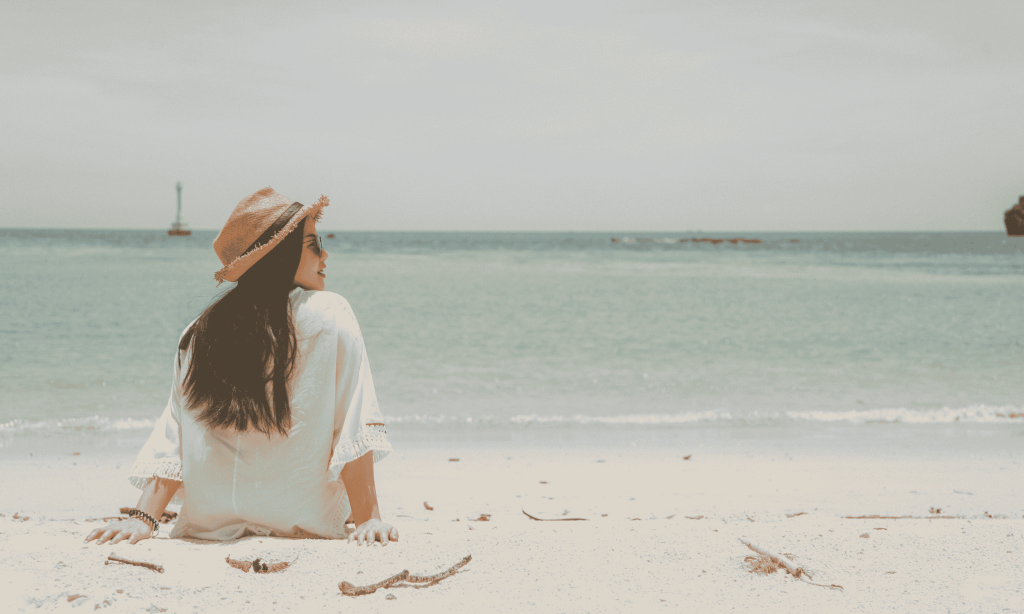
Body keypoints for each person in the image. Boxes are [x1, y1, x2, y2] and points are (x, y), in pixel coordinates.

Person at [85, 187, 397, 546]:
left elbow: (175, 430)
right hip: (299, 518)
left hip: (209, 522)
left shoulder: (200, 331)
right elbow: (353, 419)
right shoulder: (331, 312)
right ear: (281, 255)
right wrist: (368, 520)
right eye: (313, 243)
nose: (325, 254)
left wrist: (143, 520)